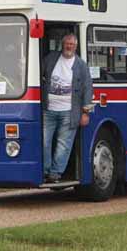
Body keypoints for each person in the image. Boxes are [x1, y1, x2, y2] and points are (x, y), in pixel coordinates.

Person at [41, 33, 94, 183]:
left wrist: (85, 112)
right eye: (66, 43)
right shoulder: (51, 58)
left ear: (76, 46)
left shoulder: (81, 65)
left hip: (70, 111)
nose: (68, 46)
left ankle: (55, 174)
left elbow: (88, 88)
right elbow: (39, 74)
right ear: (62, 44)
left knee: (64, 145)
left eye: (71, 44)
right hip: (48, 109)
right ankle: (45, 170)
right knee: (44, 140)